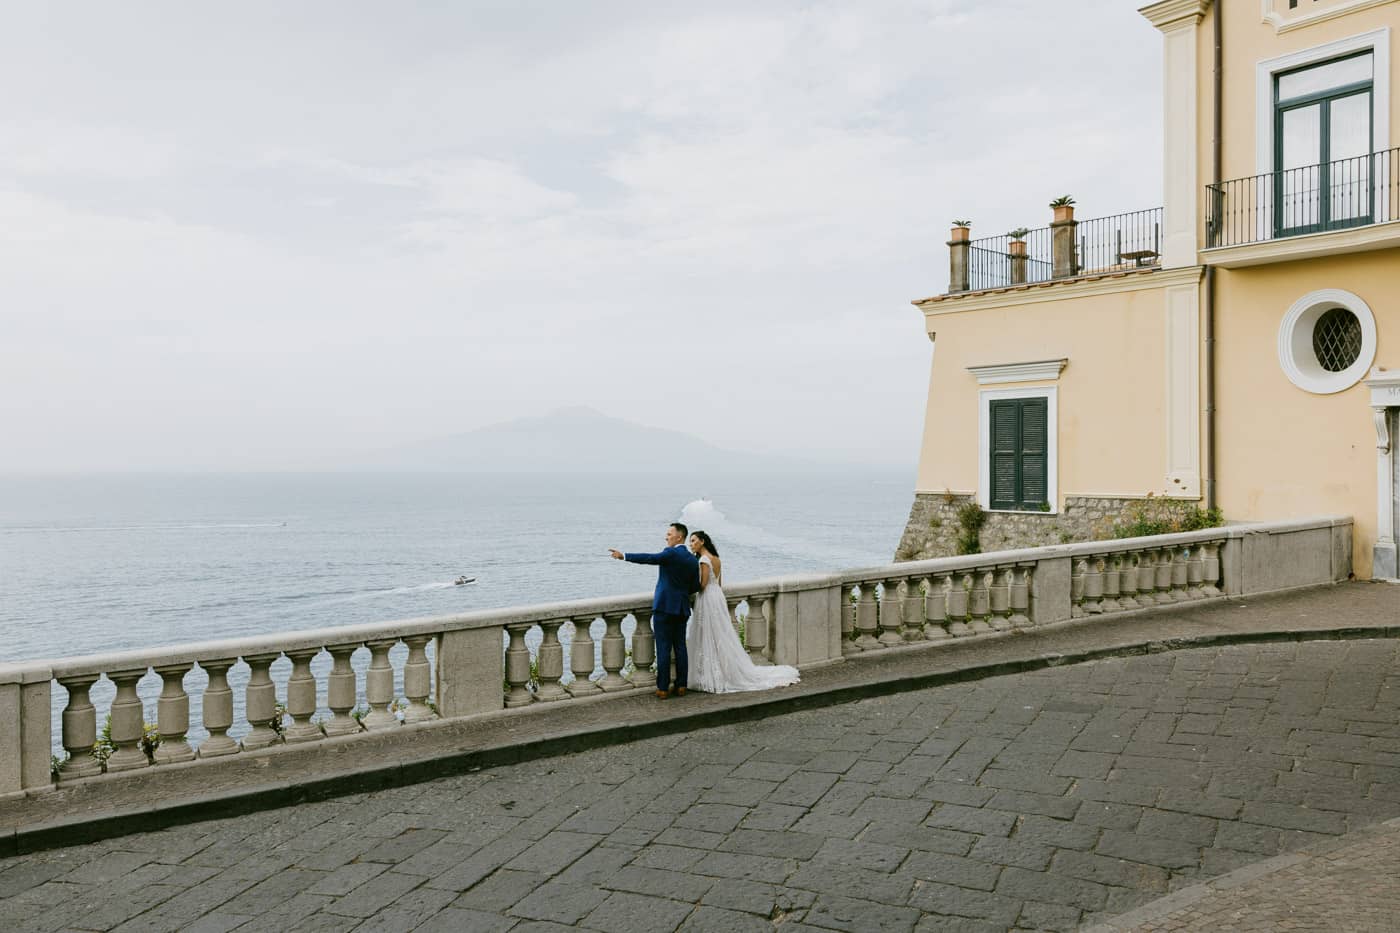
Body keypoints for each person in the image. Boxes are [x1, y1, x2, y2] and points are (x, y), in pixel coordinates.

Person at [686, 530, 799, 694]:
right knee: (719, 633)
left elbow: (702, 585)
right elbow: (719, 583)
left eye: (694, 541)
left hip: (707, 598)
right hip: (717, 596)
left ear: (702, 541)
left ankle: (710, 674)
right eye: (690, 541)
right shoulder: (716, 559)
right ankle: (720, 670)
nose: (691, 544)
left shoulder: (703, 559)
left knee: (708, 634)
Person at [609, 522, 700, 699]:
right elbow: (695, 586)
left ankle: (663, 688)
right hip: (681, 607)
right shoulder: (691, 559)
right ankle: (682, 685)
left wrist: (624, 556)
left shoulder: (670, 553)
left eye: (669, 534)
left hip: (665, 607)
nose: (666, 537)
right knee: (680, 647)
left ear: (679, 537)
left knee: (664, 648)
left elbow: (650, 558)